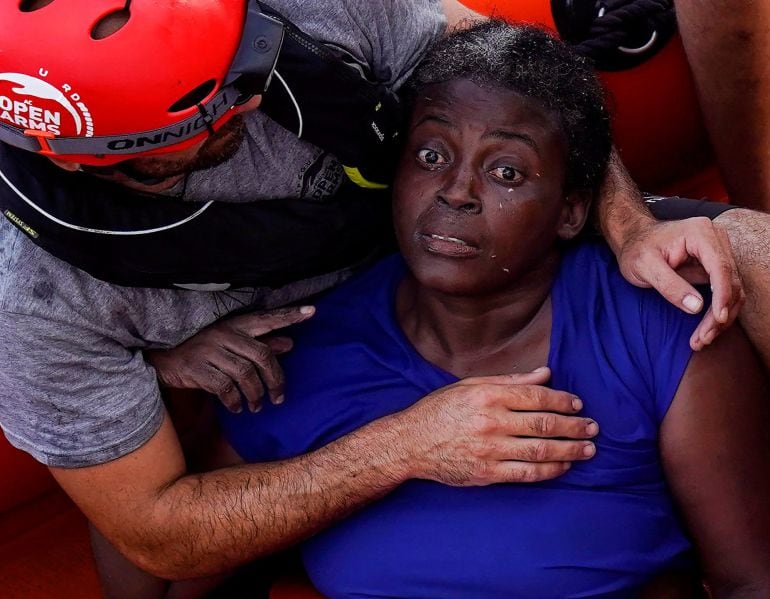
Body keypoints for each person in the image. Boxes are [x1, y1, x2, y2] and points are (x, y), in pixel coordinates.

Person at [219, 21, 770, 597]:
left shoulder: (658, 323)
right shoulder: (303, 351)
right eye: (431, 155)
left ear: (570, 212)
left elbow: (750, 582)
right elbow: (170, 558)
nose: (456, 192)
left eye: (505, 171)